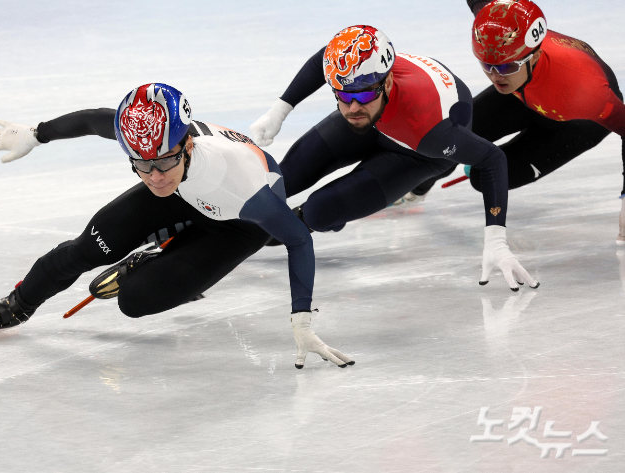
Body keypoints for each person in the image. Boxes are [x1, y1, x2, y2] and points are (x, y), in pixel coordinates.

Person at [0, 83, 353, 369]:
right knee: (89, 248)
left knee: (135, 301)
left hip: (238, 221)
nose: (154, 176)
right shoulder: (149, 144)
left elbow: (299, 240)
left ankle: (146, 263)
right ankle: (17, 305)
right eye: (141, 164)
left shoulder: (244, 187)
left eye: (164, 161)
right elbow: (90, 120)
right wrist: (34, 134)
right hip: (189, 193)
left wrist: (301, 318)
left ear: (186, 145)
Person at [250, 25, 539, 290]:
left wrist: (496, 239)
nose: (352, 107)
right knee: (284, 177)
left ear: (387, 83)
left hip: (420, 150)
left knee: (318, 211)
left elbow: (492, 159)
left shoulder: (430, 129)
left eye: (362, 97)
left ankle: (419, 184)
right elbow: (325, 58)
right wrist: (280, 110)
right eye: (342, 95)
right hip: (386, 121)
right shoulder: (361, 72)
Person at [409, 0, 625, 243]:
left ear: (535, 55)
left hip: (575, 121)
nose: (494, 76)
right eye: (485, 65)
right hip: (526, 90)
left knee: (484, 178)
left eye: (504, 66)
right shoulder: (496, 25)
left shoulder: (586, 90)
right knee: (447, 139)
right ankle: (415, 189)